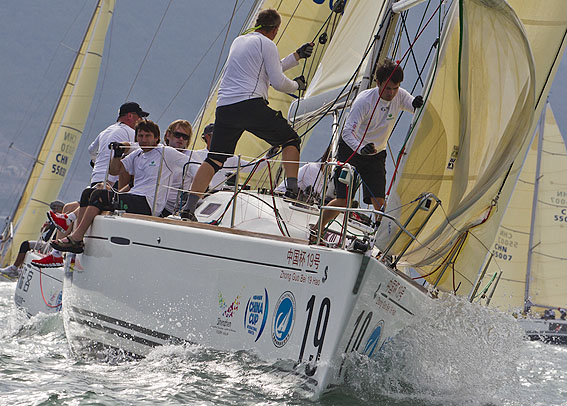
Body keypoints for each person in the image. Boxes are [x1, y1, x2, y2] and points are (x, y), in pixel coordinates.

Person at [180, 8, 314, 220]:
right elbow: (277, 82)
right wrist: (296, 86)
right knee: (290, 139)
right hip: (249, 105)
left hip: (225, 107)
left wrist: (296, 56)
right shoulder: (267, 44)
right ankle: (291, 190)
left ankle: (188, 208)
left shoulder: (239, 40)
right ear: (275, 30)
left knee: (215, 159)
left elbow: (264, 70)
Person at [315, 59, 423, 234]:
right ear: (378, 83)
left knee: (379, 202)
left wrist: (417, 103)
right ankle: (317, 228)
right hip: (352, 151)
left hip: (376, 154)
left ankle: (378, 239)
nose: (391, 93)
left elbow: (412, 105)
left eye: (395, 88)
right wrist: (360, 147)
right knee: (344, 201)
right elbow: (347, 132)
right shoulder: (364, 101)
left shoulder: (400, 95)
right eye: (387, 88)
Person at [51, 120, 190, 254]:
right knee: (88, 193)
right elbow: (114, 170)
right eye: (140, 136)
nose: (144, 139)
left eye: (148, 136)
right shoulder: (137, 154)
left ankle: (76, 237)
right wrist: (117, 155)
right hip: (134, 197)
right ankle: (77, 236)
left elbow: (192, 163)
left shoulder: (166, 152)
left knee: (99, 196)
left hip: (147, 203)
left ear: (157, 138)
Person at [0, 201, 65, 278]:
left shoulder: (62, 220)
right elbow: (42, 231)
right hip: (46, 244)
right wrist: (46, 227)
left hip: (52, 247)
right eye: (54, 208)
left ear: (62, 209)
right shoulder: (52, 220)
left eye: (57, 208)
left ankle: (14, 268)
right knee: (27, 246)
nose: (55, 210)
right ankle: (18, 269)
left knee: (26, 245)